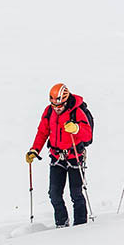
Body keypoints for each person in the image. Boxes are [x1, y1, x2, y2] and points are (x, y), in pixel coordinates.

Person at [25, 83, 93, 227]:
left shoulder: (76, 112)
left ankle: (81, 225)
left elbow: (88, 135)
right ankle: (61, 223)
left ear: (66, 101)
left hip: (75, 157)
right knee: (54, 194)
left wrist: (76, 128)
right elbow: (42, 132)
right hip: (56, 157)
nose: (57, 108)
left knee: (76, 194)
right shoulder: (49, 112)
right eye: (54, 105)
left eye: (60, 105)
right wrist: (34, 150)